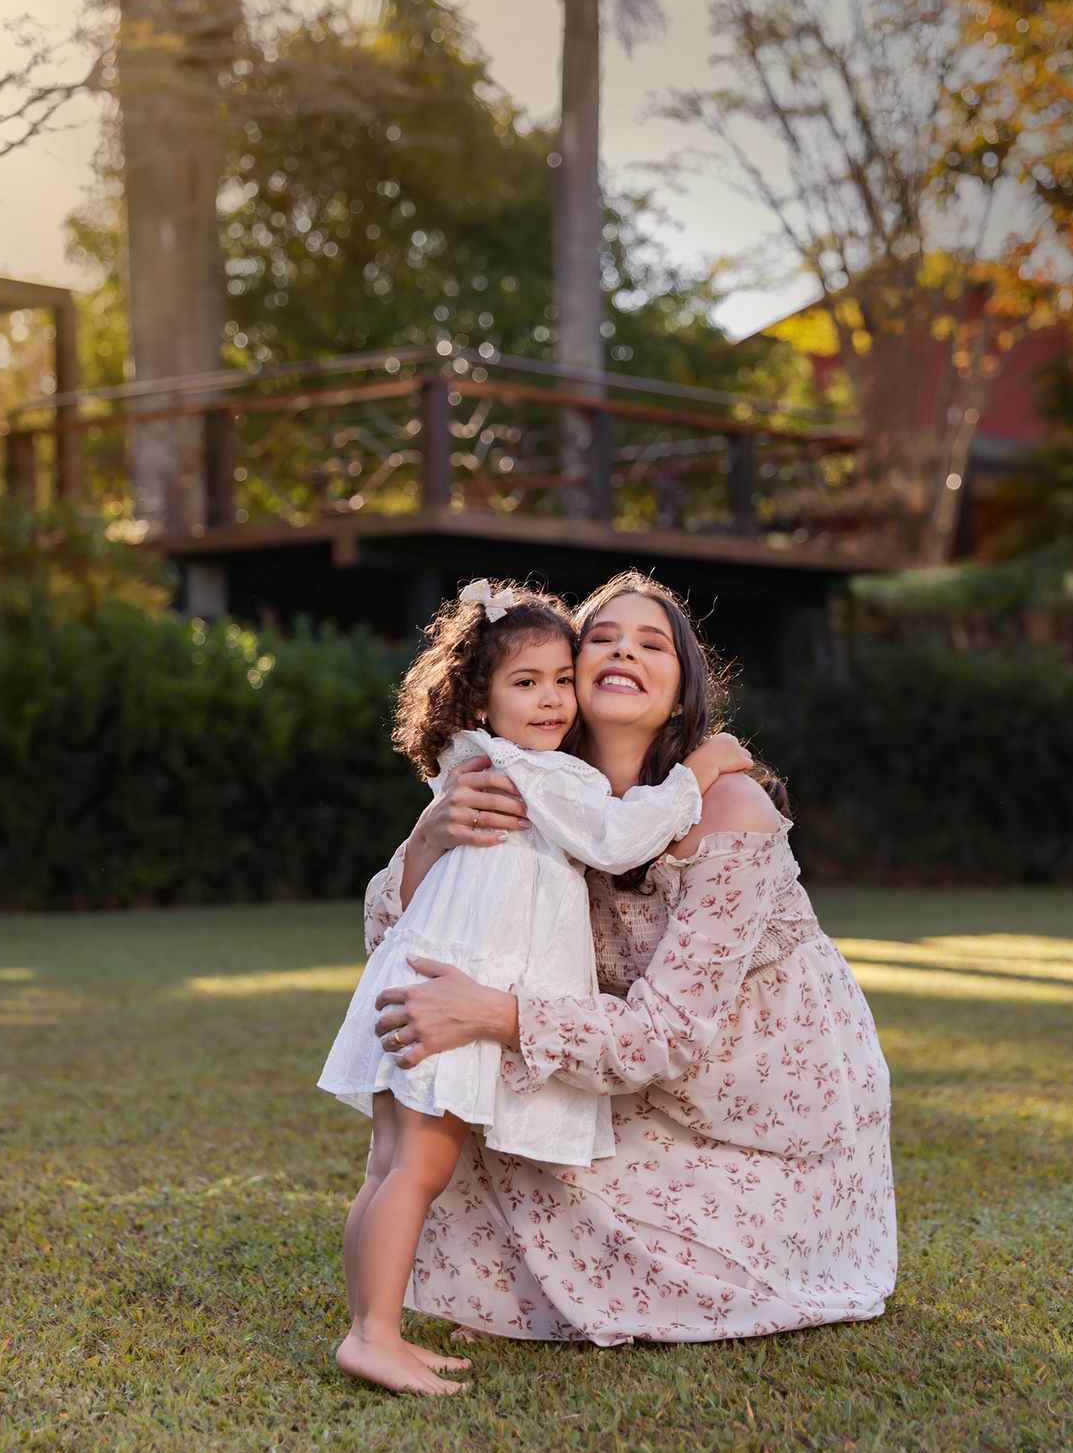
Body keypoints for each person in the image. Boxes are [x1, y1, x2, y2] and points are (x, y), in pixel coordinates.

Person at [366, 572, 897, 1360]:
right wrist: (431, 835)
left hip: (754, 1105)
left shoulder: (730, 810)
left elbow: (668, 1034)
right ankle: (490, 1291)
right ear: (566, 674)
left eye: (652, 643)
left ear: (683, 694)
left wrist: (493, 1012)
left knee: (507, 1077)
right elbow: (390, 934)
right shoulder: (545, 785)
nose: (623, 652)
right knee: (466, 1106)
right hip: (625, 1073)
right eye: (603, 639)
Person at [320, 579, 753, 1394]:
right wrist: (699, 772)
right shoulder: (543, 774)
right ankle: (372, 1334)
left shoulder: (482, 761)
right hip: (452, 990)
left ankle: (372, 1324)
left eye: (560, 679)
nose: (552, 698)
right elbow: (618, 838)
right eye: (527, 682)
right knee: (415, 1168)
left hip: (419, 976)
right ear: (480, 703)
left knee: (390, 1166)